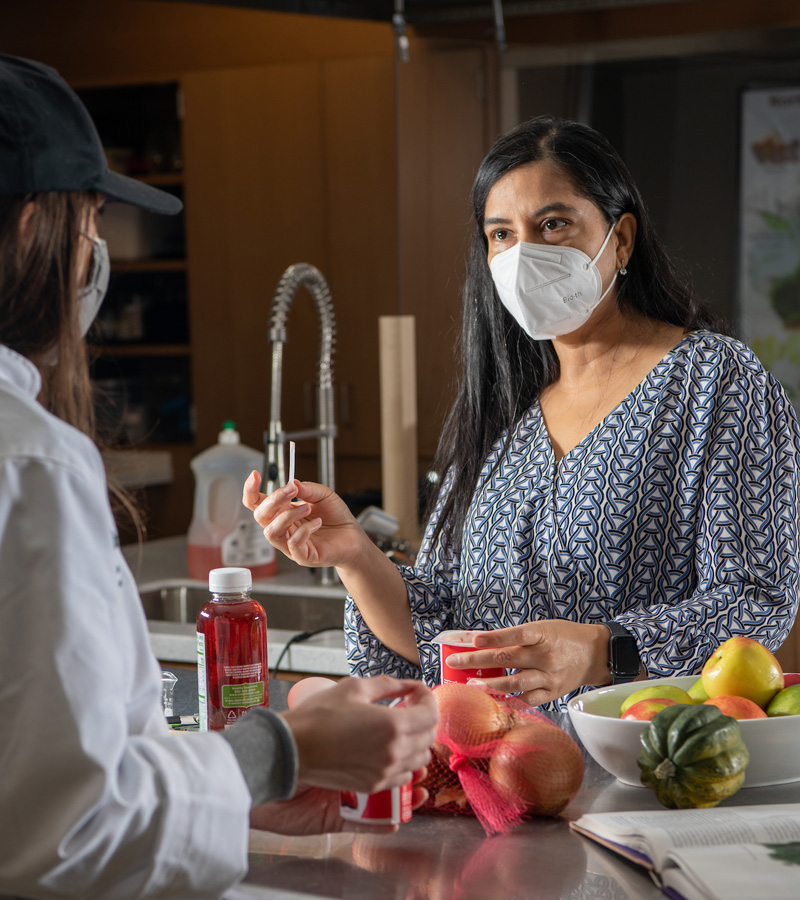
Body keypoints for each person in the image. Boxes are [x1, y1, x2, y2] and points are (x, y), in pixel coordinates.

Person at [0, 54, 438, 900]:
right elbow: (66, 836)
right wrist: (284, 750)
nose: (94, 254)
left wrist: (246, 795)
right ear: (30, 229)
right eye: (90, 221)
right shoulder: (30, 461)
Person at [245, 115, 800, 712]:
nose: (524, 254)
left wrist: (599, 651)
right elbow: (445, 634)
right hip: (496, 773)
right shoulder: (503, 409)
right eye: (502, 234)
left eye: (553, 224)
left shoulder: (715, 380)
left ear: (622, 238)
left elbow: (757, 599)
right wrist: (354, 554)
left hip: (643, 776)